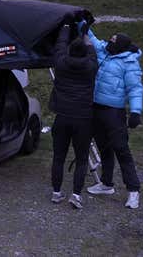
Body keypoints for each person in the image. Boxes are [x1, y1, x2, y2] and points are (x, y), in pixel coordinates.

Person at [83, 25, 143, 209]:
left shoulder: (130, 62)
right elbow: (92, 39)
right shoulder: (105, 51)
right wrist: (83, 25)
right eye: (110, 40)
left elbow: (135, 88)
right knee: (104, 148)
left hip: (114, 112)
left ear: (121, 46)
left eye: (113, 42)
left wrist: (135, 112)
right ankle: (106, 184)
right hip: (95, 109)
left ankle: (133, 191)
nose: (109, 43)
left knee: (121, 149)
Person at [49, 22, 97, 209]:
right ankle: (76, 195)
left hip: (62, 118)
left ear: (69, 51)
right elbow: (92, 48)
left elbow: (60, 45)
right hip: (83, 120)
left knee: (58, 157)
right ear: (85, 53)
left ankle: (56, 193)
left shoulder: (61, 63)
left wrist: (65, 28)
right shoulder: (91, 66)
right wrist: (84, 33)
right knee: (82, 159)